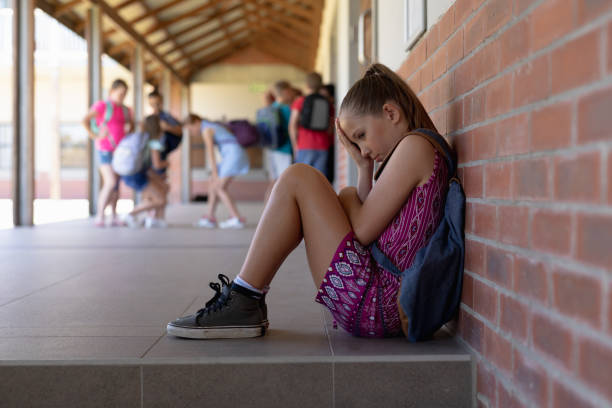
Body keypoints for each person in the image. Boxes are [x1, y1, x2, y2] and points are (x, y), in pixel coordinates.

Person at [166, 63, 449, 339]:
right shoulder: (417, 148)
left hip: (379, 303)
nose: (363, 149)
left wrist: (349, 196)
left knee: (298, 176)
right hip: (380, 300)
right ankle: (245, 298)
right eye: (355, 142)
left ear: (390, 113)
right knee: (302, 179)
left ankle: (245, 298)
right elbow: (370, 223)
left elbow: (362, 231)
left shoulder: (414, 147)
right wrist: (364, 170)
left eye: (361, 136)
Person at [82, 79, 134, 227]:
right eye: (120, 93)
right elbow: (85, 120)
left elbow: (132, 126)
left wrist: (129, 129)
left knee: (116, 184)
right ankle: (100, 215)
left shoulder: (126, 110)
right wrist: (95, 135)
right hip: (105, 149)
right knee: (110, 182)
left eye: (125, 94)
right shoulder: (103, 106)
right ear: (112, 91)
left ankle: (114, 215)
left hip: (121, 151)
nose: (122, 97)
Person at [184, 114, 249, 229]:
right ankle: (209, 217)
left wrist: (214, 173)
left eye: (190, 129)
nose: (191, 132)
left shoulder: (206, 130)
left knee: (219, 187)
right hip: (232, 155)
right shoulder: (210, 126)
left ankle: (236, 218)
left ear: (196, 122)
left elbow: (210, 153)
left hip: (233, 155)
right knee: (213, 186)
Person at [121, 115, 169, 228]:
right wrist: (167, 163)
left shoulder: (142, 137)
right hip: (137, 175)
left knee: (158, 192)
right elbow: (157, 164)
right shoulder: (153, 142)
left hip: (133, 172)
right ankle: (130, 215)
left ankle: (153, 219)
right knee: (160, 199)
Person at [289, 72, 335, 178]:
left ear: (307, 85)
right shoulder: (327, 102)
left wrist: (295, 146)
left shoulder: (300, 101)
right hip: (323, 145)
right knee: (320, 180)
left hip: (304, 145)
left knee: (303, 179)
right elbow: (330, 128)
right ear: (321, 84)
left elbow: (292, 125)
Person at [147, 90, 182, 222]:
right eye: (152, 104)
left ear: (161, 102)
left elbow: (179, 130)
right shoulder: (149, 119)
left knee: (162, 187)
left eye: (157, 104)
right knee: (155, 189)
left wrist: (167, 128)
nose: (155, 107)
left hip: (161, 154)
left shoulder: (167, 117)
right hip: (152, 158)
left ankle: (159, 217)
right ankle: (151, 215)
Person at [262, 80, 293, 203]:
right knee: (284, 182)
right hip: (284, 149)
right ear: (285, 92)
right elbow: (293, 128)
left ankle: (266, 209)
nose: (291, 95)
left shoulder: (269, 108)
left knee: (274, 181)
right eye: (290, 92)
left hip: (271, 149)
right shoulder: (286, 109)